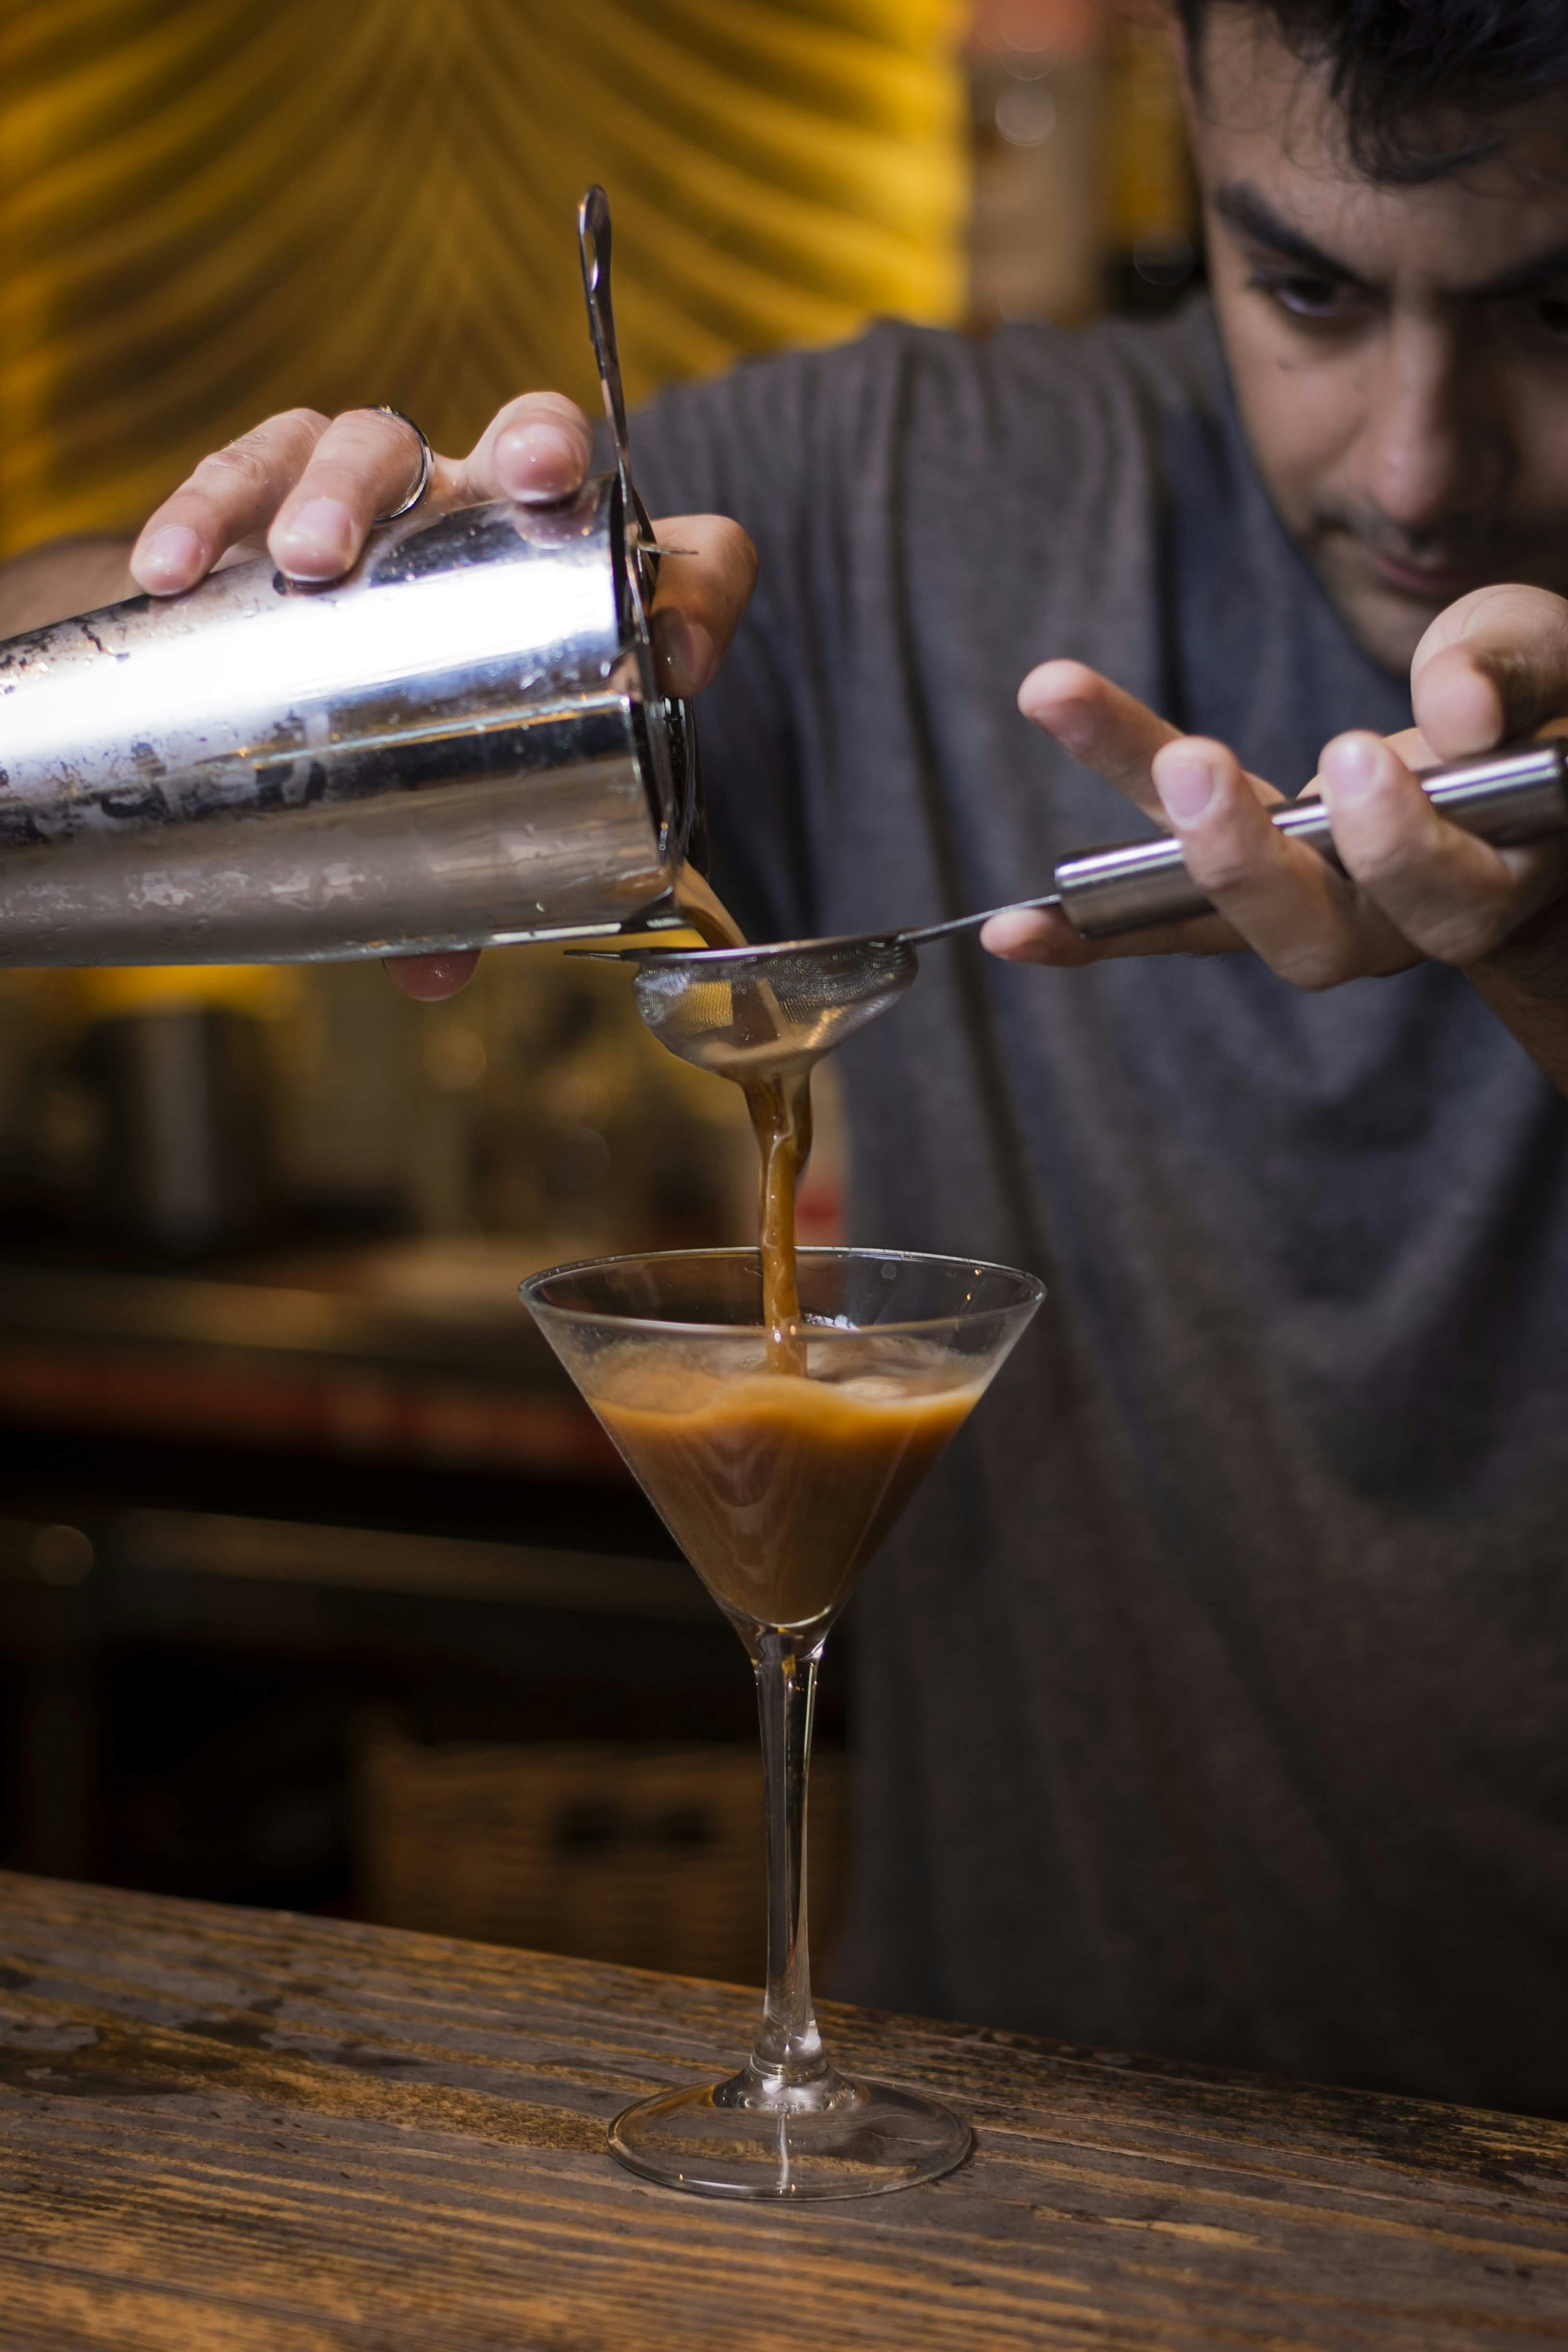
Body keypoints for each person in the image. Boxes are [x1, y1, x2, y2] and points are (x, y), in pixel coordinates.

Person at [10, 0, 1568, 2115]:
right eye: (1302, 287)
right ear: (1185, 106)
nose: (1414, 464)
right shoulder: (914, 487)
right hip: (1002, 2157)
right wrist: (322, 643)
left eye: (1554, 306)